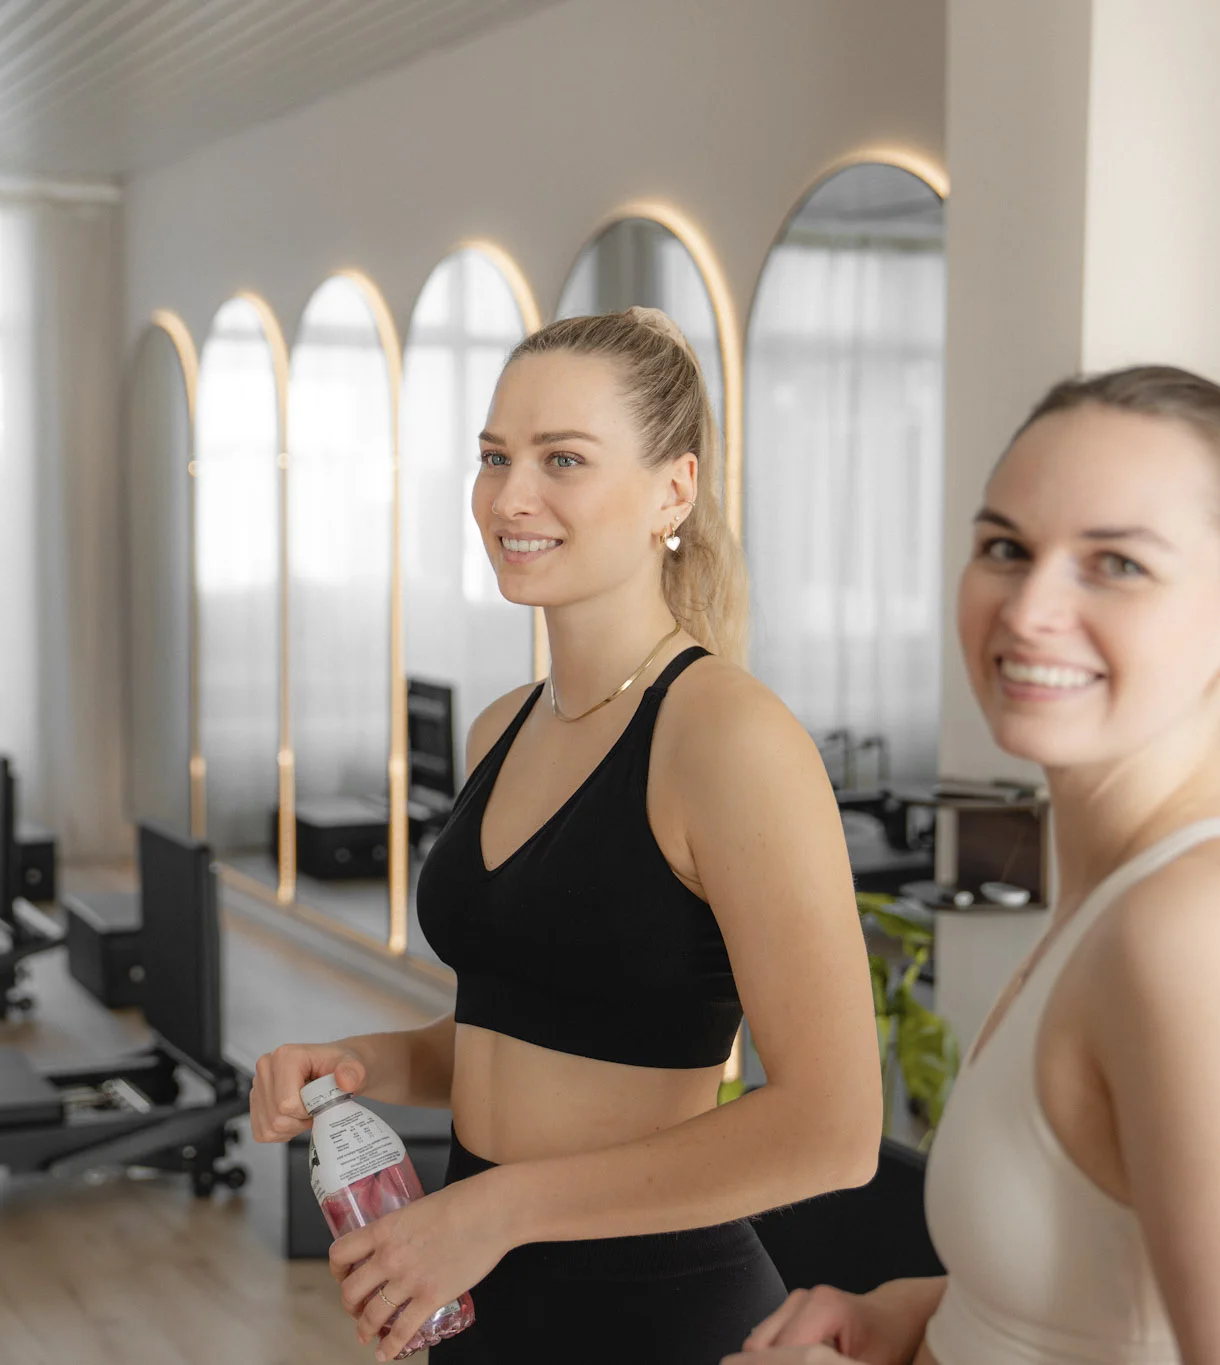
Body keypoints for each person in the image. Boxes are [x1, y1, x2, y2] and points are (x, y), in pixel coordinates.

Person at [252, 307, 882, 1364]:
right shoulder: (506, 724)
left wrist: (495, 1212)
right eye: (494, 456)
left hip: (656, 1312)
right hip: (477, 1299)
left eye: (563, 460)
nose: (510, 496)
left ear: (672, 490)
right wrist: (365, 1062)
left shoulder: (728, 738)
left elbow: (833, 1130)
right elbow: (538, 1033)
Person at [730, 366, 1220, 1365]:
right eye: (1004, 547)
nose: (1029, 608)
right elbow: (1100, 1291)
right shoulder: (1125, 898)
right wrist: (920, 1315)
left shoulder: (1208, 933)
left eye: (1115, 564)